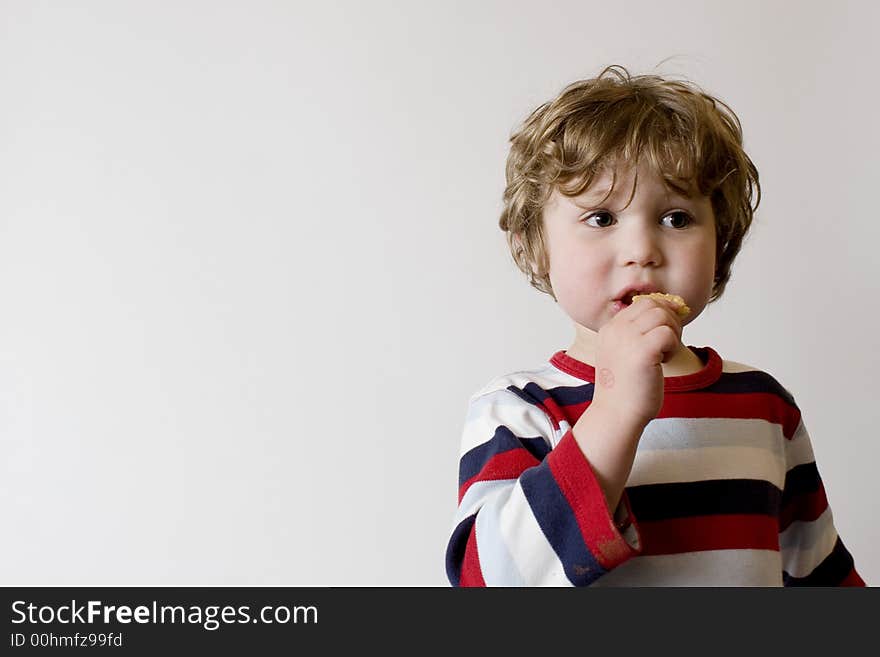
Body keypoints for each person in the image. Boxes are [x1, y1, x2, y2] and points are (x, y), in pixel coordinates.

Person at [445, 64, 864, 586]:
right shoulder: (519, 408)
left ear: (722, 242)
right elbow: (487, 582)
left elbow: (821, 577)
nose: (642, 251)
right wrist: (616, 412)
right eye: (601, 218)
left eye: (677, 218)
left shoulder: (764, 406)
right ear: (536, 243)